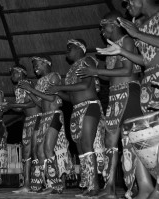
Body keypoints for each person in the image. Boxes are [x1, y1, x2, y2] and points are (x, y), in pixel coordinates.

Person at [96, 2, 159, 198]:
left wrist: (137, 35)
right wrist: (121, 52)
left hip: (149, 82)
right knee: (144, 135)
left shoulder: (140, 28)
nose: (128, 4)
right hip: (148, 82)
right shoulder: (139, 23)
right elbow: (146, 61)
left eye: (130, 0)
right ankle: (145, 186)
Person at [46, 38, 105, 198]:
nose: (67, 51)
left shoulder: (87, 61)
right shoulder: (72, 70)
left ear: (81, 48)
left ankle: (94, 186)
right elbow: (71, 98)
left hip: (89, 106)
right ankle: (86, 185)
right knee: (80, 149)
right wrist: (57, 92)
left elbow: (86, 85)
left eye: (69, 48)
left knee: (87, 145)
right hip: (76, 109)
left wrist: (60, 86)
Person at [18, 56, 72, 194]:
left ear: (44, 63)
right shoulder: (39, 82)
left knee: (48, 148)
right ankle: (50, 183)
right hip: (44, 117)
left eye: (36, 64)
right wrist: (29, 91)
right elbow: (39, 103)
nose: (34, 68)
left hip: (54, 114)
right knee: (39, 150)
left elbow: (51, 97)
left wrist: (31, 89)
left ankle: (56, 184)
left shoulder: (54, 76)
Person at [0, 65, 42, 193]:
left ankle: (37, 184)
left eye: (13, 73)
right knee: (26, 153)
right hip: (28, 120)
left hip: (37, 118)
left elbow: (33, 103)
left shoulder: (26, 83)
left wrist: (11, 105)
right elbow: (20, 108)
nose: (11, 76)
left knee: (35, 151)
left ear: (20, 73)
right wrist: (8, 106)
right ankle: (27, 184)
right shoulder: (18, 87)